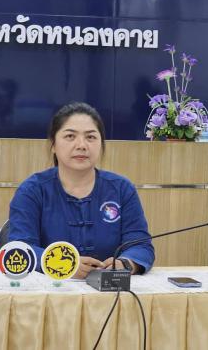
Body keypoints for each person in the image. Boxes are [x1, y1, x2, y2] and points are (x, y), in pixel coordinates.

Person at [8, 102, 154, 278]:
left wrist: (126, 263)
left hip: (110, 288)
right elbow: (20, 248)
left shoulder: (122, 189)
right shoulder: (32, 191)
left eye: (90, 137)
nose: (82, 145)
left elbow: (141, 245)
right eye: (70, 136)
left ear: (101, 144)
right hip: (50, 289)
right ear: (53, 144)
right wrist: (63, 264)